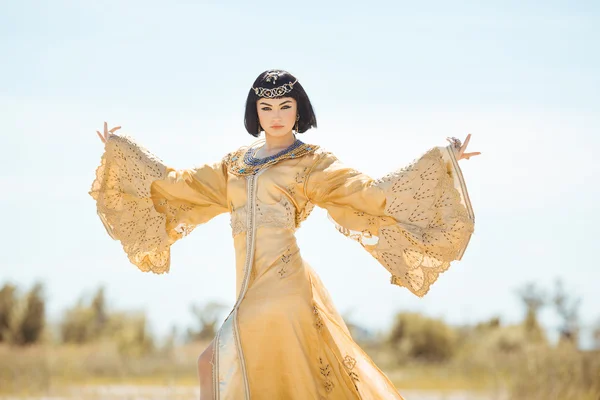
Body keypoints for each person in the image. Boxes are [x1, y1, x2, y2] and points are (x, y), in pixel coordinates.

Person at [90, 69, 480, 400]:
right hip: (249, 286)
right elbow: (179, 184)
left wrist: (442, 160)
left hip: (283, 282)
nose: (275, 116)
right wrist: (121, 152)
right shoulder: (235, 165)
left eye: (285, 106)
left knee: (213, 362)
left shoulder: (311, 162)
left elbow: (370, 194)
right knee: (244, 370)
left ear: (298, 111)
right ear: (255, 113)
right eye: (266, 108)